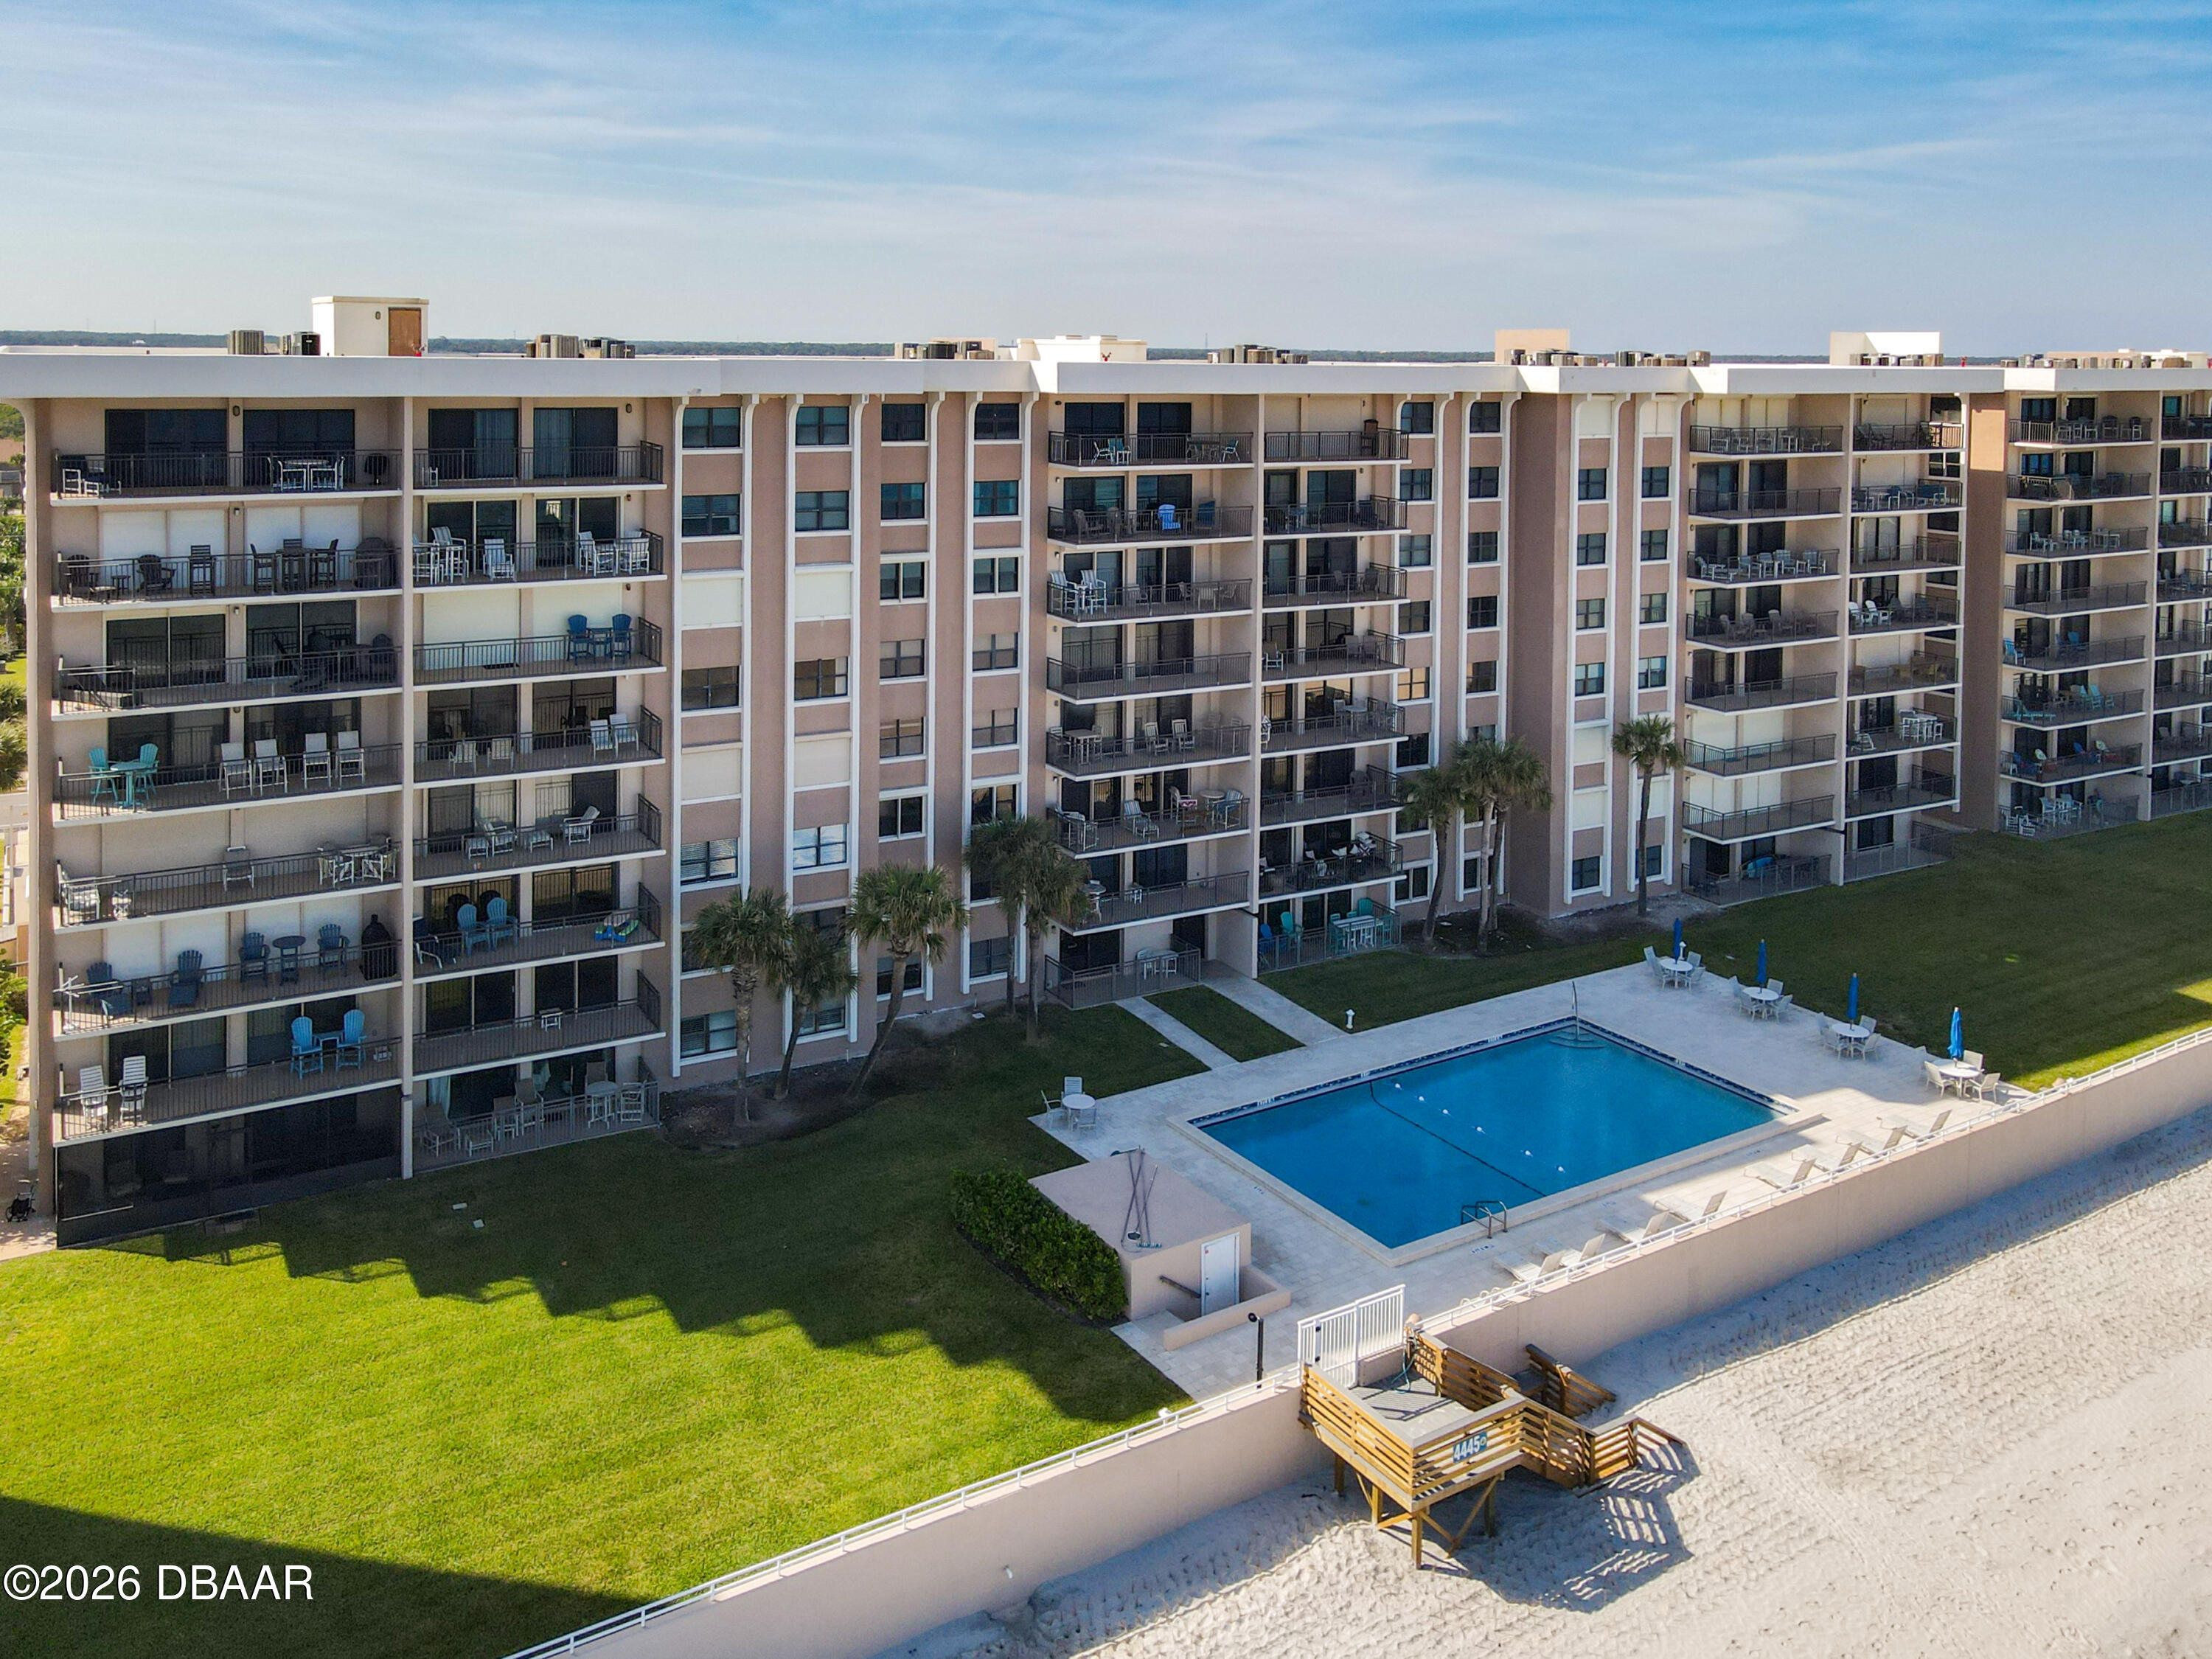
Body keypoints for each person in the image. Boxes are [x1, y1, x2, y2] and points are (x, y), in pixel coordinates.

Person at [360, 913, 396, 978]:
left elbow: (364, 941)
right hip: (380, 953)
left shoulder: (369, 930)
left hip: (374, 953)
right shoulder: (381, 929)